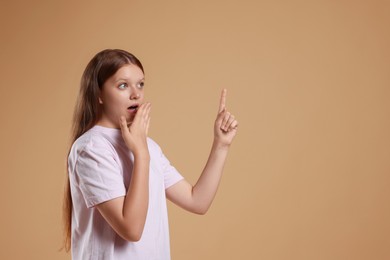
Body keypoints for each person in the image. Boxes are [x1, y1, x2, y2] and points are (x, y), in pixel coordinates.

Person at [62, 49, 238, 260]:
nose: (136, 94)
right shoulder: (91, 148)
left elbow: (197, 201)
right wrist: (140, 154)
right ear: (98, 94)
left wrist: (221, 145)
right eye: (123, 85)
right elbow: (131, 229)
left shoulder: (148, 146)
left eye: (140, 84)